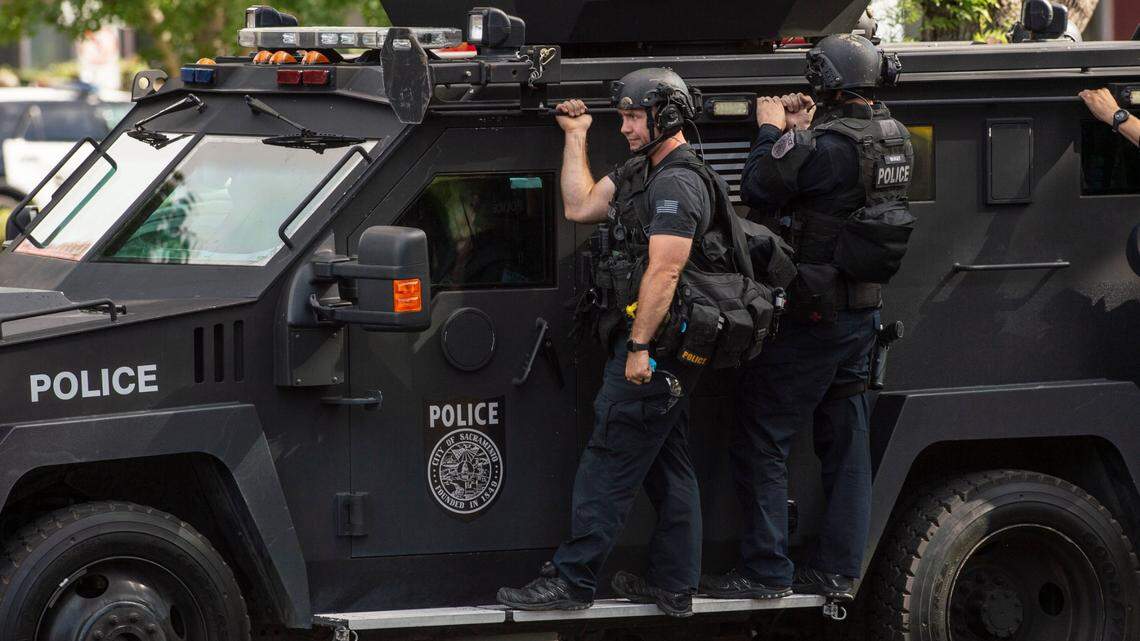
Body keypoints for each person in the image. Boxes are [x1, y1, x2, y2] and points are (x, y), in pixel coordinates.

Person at [497, 68, 730, 618]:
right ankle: (674, 586)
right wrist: (575, 136)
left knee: (608, 459)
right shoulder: (641, 171)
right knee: (668, 462)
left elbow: (665, 271)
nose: (624, 127)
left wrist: (639, 346)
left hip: (658, 347)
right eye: (623, 116)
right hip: (658, 345)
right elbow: (579, 206)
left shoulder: (677, 182)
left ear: (666, 117)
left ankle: (573, 579)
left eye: (633, 117)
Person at [701, 34, 912, 603]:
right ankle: (838, 571)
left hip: (814, 316)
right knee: (847, 444)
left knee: (761, 434)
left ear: (825, 82)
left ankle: (766, 571)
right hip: (861, 312)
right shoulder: (895, 137)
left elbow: (758, 184)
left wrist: (772, 130)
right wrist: (801, 131)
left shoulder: (826, 146)